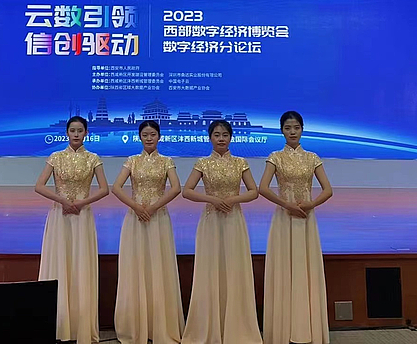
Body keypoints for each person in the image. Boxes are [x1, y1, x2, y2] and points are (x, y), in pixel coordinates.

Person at [181, 120, 263, 344]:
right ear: (210, 138)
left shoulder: (240, 162)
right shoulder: (202, 163)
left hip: (234, 220)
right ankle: (209, 327)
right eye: (216, 134)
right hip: (211, 220)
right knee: (210, 269)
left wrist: (233, 199)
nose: (221, 138)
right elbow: (187, 191)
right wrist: (212, 200)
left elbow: (254, 191)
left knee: (234, 268)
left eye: (225, 134)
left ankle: (236, 327)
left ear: (231, 137)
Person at [259, 111, 332, 344]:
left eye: (296, 128)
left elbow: (328, 190)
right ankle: (284, 330)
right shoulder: (275, 157)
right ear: (282, 130)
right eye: (288, 128)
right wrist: (287, 204)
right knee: (285, 266)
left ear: (302, 129)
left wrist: (311, 203)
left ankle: (307, 329)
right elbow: (263, 188)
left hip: (306, 217)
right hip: (284, 216)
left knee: (305, 266)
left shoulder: (312, 157)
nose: (292, 132)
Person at [35, 116, 109, 344]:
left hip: (82, 215)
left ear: (86, 133)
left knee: (80, 264)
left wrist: (81, 203)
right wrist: (63, 201)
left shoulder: (93, 158)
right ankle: (59, 325)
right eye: (72, 130)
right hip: (60, 215)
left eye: (80, 130)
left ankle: (80, 326)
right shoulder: (55, 157)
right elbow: (39, 186)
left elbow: (104, 189)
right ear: (67, 133)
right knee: (60, 262)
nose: (76, 134)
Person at [112, 120, 185, 344]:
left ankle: (159, 326)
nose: (149, 138)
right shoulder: (132, 161)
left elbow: (176, 188)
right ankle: (135, 326)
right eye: (145, 135)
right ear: (140, 137)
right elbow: (116, 187)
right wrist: (136, 206)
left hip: (158, 218)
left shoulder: (166, 161)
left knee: (158, 265)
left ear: (159, 136)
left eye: (153, 134)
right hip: (135, 218)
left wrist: (153, 207)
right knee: (135, 265)